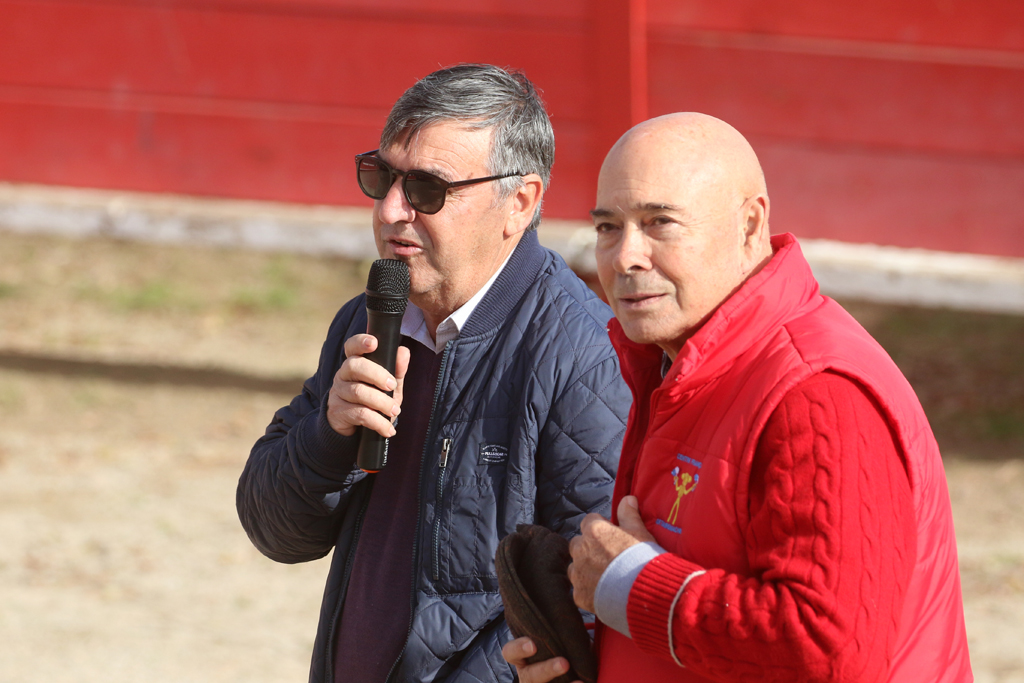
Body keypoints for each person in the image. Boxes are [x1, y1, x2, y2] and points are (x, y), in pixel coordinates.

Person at [503, 112, 972, 683]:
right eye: (608, 227)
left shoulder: (816, 394)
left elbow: (828, 649)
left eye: (659, 223)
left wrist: (630, 586)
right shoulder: (676, 365)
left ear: (750, 226)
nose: (625, 257)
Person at [236, 64, 630, 683]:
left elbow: (598, 600)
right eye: (382, 177)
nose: (392, 209)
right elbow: (276, 531)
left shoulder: (584, 355)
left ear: (519, 203)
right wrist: (329, 437)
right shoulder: (368, 319)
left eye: (427, 189)